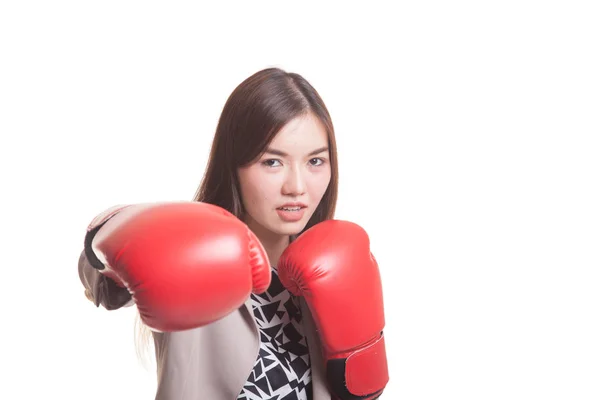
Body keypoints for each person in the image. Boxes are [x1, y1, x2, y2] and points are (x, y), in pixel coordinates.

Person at [78, 67, 388, 400]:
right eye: (272, 162)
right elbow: (96, 275)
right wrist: (106, 232)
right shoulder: (200, 262)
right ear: (234, 165)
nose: (297, 187)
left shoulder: (332, 267)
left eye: (315, 161)